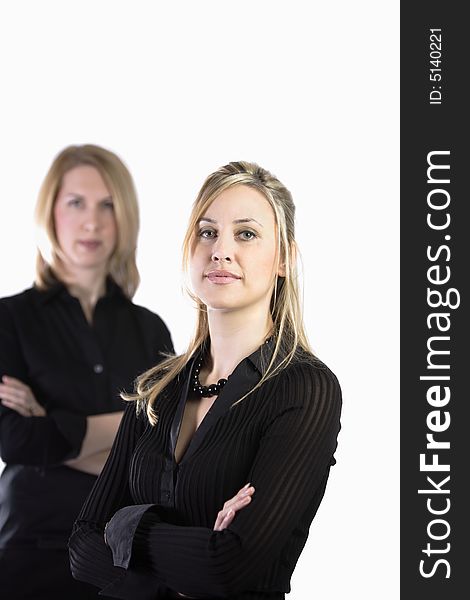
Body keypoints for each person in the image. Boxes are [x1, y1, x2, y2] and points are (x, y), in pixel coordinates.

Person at [69, 161, 342, 600]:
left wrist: (127, 525)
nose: (220, 250)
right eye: (207, 231)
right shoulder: (156, 389)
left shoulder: (305, 389)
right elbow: (82, 548)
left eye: (246, 234)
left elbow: (232, 565)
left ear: (285, 259)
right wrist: (195, 553)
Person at [0, 144, 173, 600]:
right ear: (50, 210)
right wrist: (133, 425)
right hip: (31, 551)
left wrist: (50, 426)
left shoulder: (150, 329)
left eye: (107, 205)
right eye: (76, 202)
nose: (92, 222)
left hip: (126, 559)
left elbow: (164, 458)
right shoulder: (9, 319)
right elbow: (16, 441)